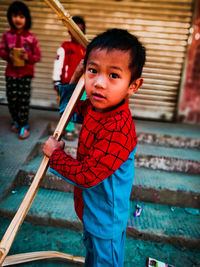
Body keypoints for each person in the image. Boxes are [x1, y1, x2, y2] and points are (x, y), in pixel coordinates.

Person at [43, 28, 146, 267]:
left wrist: (55, 156)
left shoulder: (118, 128)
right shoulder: (93, 107)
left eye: (113, 75)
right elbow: (67, 112)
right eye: (93, 70)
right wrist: (75, 79)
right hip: (91, 211)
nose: (99, 83)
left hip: (106, 220)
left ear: (133, 85)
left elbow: (88, 175)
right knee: (93, 258)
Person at [0, 1, 41, 139]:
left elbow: (37, 56)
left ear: (26, 19)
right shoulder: (7, 36)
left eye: (22, 16)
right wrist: (8, 56)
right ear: (10, 17)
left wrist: (27, 56)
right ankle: (15, 120)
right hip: (11, 73)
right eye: (15, 16)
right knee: (12, 99)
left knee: (23, 101)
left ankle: (24, 125)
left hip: (25, 74)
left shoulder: (31, 37)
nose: (18, 19)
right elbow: (2, 51)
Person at [52, 15, 86, 141]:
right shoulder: (65, 47)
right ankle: (68, 130)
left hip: (83, 84)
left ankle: (83, 129)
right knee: (68, 106)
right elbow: (58, 64)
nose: (76, 34)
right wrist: (57, 81)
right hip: (68, 83)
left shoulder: (86, 48)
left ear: (83, 32)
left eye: (79, 31)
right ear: (69, 32)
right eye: (73, 30)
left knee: (81, 106)